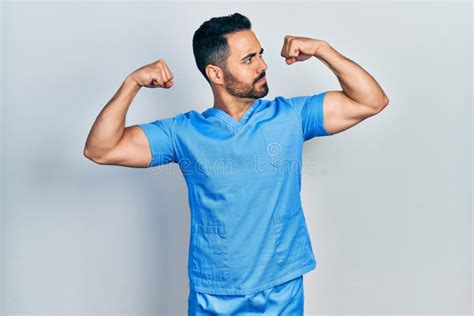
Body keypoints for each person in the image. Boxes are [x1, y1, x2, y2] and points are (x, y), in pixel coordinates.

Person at [83, 12, 389, 316]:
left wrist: (323, 50)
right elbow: (101, 149)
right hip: (216, 293)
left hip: (281, 288)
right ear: (216, 74)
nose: (263, 65)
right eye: (248, 60)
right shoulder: (183, 132)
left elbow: (371, 100)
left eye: (260, 55)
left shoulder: (290, 117)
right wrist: (132, 83)